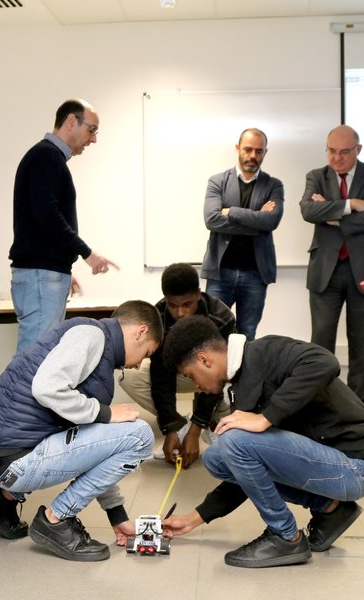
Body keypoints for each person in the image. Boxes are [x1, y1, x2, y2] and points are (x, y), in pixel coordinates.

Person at [160, 315, 364, 569]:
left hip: (354, 465)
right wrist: (195, 518)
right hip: (331, 466)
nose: (197, 387)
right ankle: (331, 508)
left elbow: (324, 362)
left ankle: (286, 536)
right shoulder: (240, 385)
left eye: (191, 376)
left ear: (204, 359)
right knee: (217, 457)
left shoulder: (265, 351)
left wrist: (265, 418)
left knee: (233, 441)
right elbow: (247, 474)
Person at [0, 300, 163, 562]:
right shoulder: (92, 335)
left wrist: (116, 515)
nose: (139, 364)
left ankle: (0, 501)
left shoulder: (95, 344)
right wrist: (105, 413)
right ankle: (56, 520)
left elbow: (92, 448)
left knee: (114, 430)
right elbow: (47, 388)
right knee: (139, 434)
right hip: (15, 461)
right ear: (140, 332)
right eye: (147, 354)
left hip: (2, 460)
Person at [9, 98, 118, 354]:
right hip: (40, 275)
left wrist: (61, 268)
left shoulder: (49, 158)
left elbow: (45, 219)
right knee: (33, 360)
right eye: (92, 130)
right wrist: (87, 253)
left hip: (44, 273)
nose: (93, 139)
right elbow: (46, 215)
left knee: (38, 357)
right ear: (71, 121)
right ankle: (13, 397)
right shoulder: (45, 157)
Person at [118, 263, 236, 467]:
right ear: (165, 299)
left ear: (199, 294)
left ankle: (213, 425)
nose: (180, 312)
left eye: (187, 304)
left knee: (230, 376)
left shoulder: (221, 316)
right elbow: (160, 376)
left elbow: (223, 370)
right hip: (179, 374)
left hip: (215, 376)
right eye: (173, 305)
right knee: (128, 376)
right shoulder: (159, 318)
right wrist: (170, 427)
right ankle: (180, 424)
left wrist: (197, 428)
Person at [299, 124, 364, 400]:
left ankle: (359, 408)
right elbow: (307, 210)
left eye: (344, 152)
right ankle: (323, 404)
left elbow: (319, 212)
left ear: (358, 150)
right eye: (332, 151)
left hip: (361, 272)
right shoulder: (316, 176)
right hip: (325, 272)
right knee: (321, 344)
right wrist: (352, 206)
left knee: (361, 346)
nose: (337, 158)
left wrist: (332, 216)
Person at [200, 128, 284, 340]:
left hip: (255, 274)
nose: (253, 156)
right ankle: (218, 375)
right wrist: (257, 221)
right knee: (212, 334)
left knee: (247, 335)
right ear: (238, 148)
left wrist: (232, 212)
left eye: (258, 151)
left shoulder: (273, 185)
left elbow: (271, 221)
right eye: (248, 149)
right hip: (221, 273)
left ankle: (244, 375)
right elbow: (212, 220)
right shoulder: (217, 181)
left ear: (265, 152)